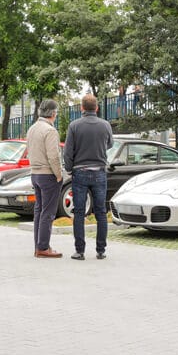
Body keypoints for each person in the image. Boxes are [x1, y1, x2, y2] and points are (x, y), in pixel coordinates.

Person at [63, 94, 114, 260]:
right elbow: (110, 144)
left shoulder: (74, 126)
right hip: (99, 172)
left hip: (80, 172)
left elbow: (68, 151)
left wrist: (70, 169)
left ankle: (80, 251)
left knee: (79, 212)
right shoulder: (105, 125)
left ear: (82, 108)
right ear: (97, 108)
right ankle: (101, 250)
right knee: (100, 211)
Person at [25, 99, 64, 258]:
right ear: (53, 113)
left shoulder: (32, 129)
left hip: (35, 173)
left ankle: (39, 245)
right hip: (48, 174)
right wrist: (59, 174)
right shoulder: (50, 131)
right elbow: (53, 156)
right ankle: (43, 247)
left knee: (39, 211)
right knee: (48, 212)